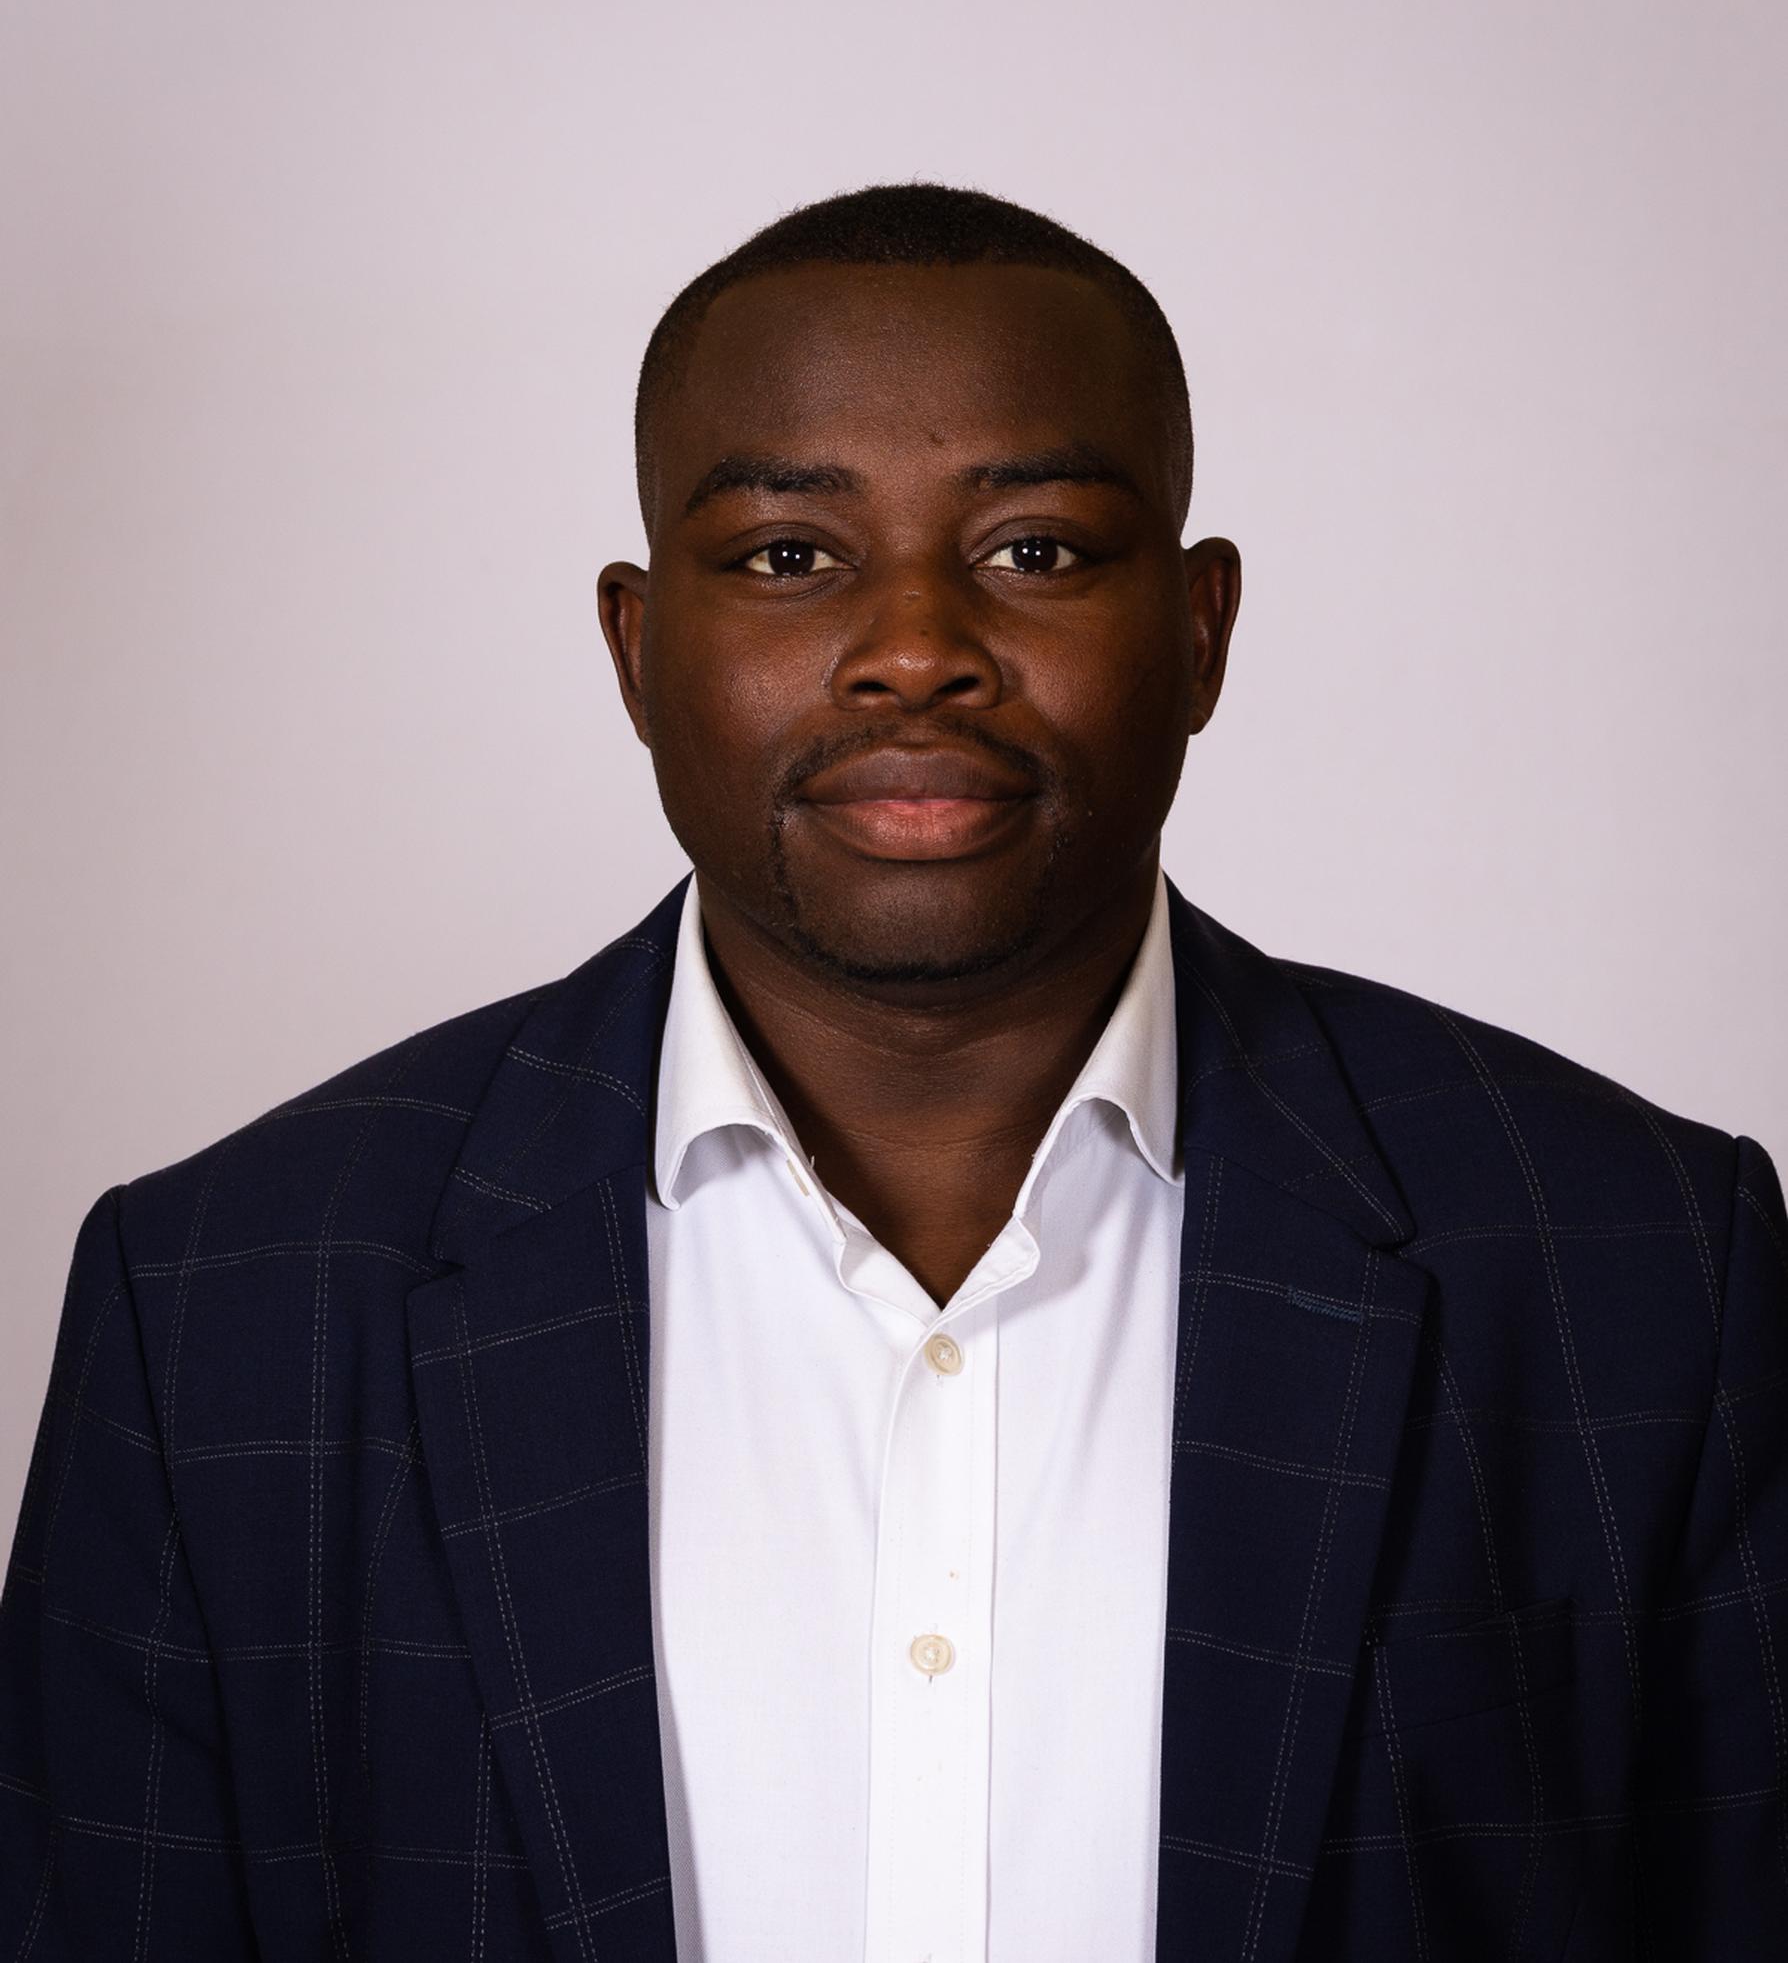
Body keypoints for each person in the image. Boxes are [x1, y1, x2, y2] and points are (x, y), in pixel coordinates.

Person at [2, 183, 1782, 1963]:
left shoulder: (1637, 1273)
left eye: (1037, 551)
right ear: (637, 649)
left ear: (1200, 632)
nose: (917, 649)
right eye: (790, 555)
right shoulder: (223, 1314)